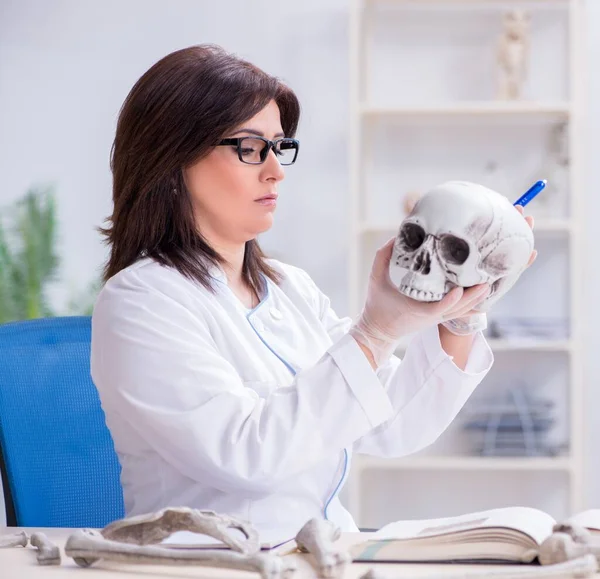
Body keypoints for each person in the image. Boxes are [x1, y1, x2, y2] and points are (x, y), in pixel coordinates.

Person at [90, 44, 534, 539]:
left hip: (321, 555)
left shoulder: (288, 287)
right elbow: (247, 455)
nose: (275, 170)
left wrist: (463, 309)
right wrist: (375, 331)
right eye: (249, 148)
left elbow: (392, 424)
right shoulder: (141, 302)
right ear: (171, 158)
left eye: (279, 147)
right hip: (212, 565)